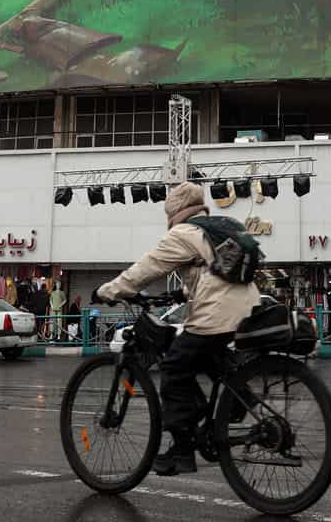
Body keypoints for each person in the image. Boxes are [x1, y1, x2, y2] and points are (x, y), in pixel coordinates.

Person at [94, 183, 260, 477]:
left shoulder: (182, 232)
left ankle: (182, 449)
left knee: (172, 368)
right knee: (208, 357)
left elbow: (147, 268)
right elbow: (213, 271)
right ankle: (237, 400)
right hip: (249, 307)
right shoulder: (219, 226)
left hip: (217, 313)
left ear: (173, 212)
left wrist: (110, 290)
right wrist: (181, 294)